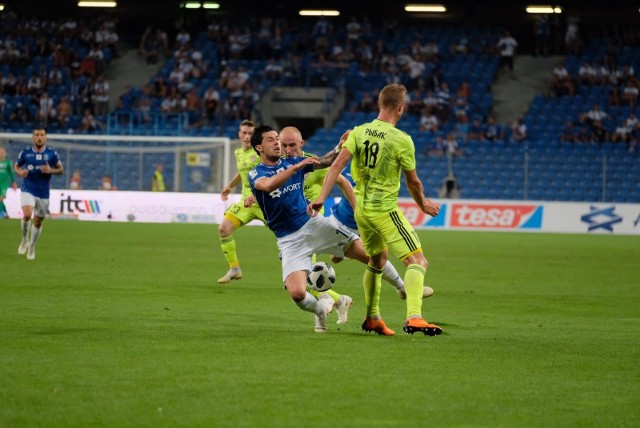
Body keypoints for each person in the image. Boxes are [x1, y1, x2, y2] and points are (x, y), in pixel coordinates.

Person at [308, 83, 443, 337]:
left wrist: (321, 198)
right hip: (385, 211)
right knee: (417, 260)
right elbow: (413, 182)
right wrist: (423, 203)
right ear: (400, 108)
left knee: (378, 261)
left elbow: (336, 165)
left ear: (380, 104)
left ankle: (372, 318)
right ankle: (414, 316)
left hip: (362, 212)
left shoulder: (359, 132)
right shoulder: (402, 140)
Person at [248, 124, 371, 334]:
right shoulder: (283, 167)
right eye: (276, 141)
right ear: (259, 147)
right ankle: (338, 303)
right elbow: (269, 185)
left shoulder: (304, 162)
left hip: (314, 225)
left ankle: (401, 289)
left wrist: (357, 212)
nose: (281, 145)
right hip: (290, 236)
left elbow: (339, 177)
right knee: (300, 287)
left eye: (285, 142)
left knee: (314, 279)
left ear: (300, 143)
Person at [326, 163, 435, 300]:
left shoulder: (380, 174)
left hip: (366, 225)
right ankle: (402, 289)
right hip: (341, 222)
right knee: (344, 258)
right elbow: (331, 174)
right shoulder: (349, 165)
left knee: (376, 259)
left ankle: (402, 289)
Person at [217, 120, 264, 284]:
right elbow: (242, 172)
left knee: (288, 237)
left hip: (266, 204)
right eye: (244, 133)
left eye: (250, 133)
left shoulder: (261, 152)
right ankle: (234, 269)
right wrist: (229, 186)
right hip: (246, 203)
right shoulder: (239, 153)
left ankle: (299, 274)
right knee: (224, 228)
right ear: (239, 134)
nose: (246, 136)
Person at [14, 128, 64, 260]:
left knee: (37, 222)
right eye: (37, 135)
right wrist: (20, 173)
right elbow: (16, 166)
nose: (39, 137)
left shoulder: (52, 154)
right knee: (26, 215)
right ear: (33, 138)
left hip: (43, 192)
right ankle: (24, 239)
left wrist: (50, 170)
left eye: (42, 135)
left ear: (46, 138)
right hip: (27, 188)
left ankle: (32, 245)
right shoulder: (25, 153)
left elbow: (61, 170)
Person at [0, 147, 17, 218]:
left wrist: (14, 182)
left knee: (0, 198)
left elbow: (11, 173)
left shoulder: (8, 163)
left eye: (2, 152)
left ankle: (2, 214)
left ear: (5, 154)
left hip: (4, 184)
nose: (1, 154)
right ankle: (5, 214)